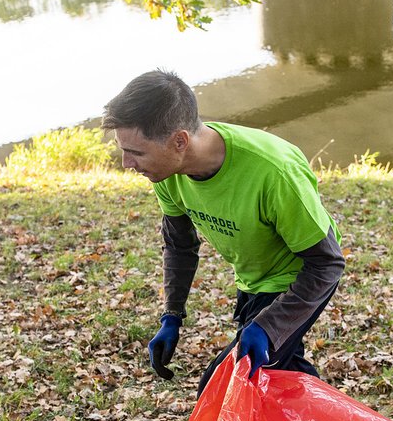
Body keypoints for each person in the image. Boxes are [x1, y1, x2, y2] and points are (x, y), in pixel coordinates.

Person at [101, 69, 345, 394]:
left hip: (298, 277)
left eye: (136, 152)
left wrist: (269, 326)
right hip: (253, 277)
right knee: (281, 378)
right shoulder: (167, 172)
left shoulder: (273, 173)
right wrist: (172, 316)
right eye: (123, 149)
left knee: (224, 387)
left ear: (179, 141)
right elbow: (179, 245)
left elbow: (327, 263)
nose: (126, 164)